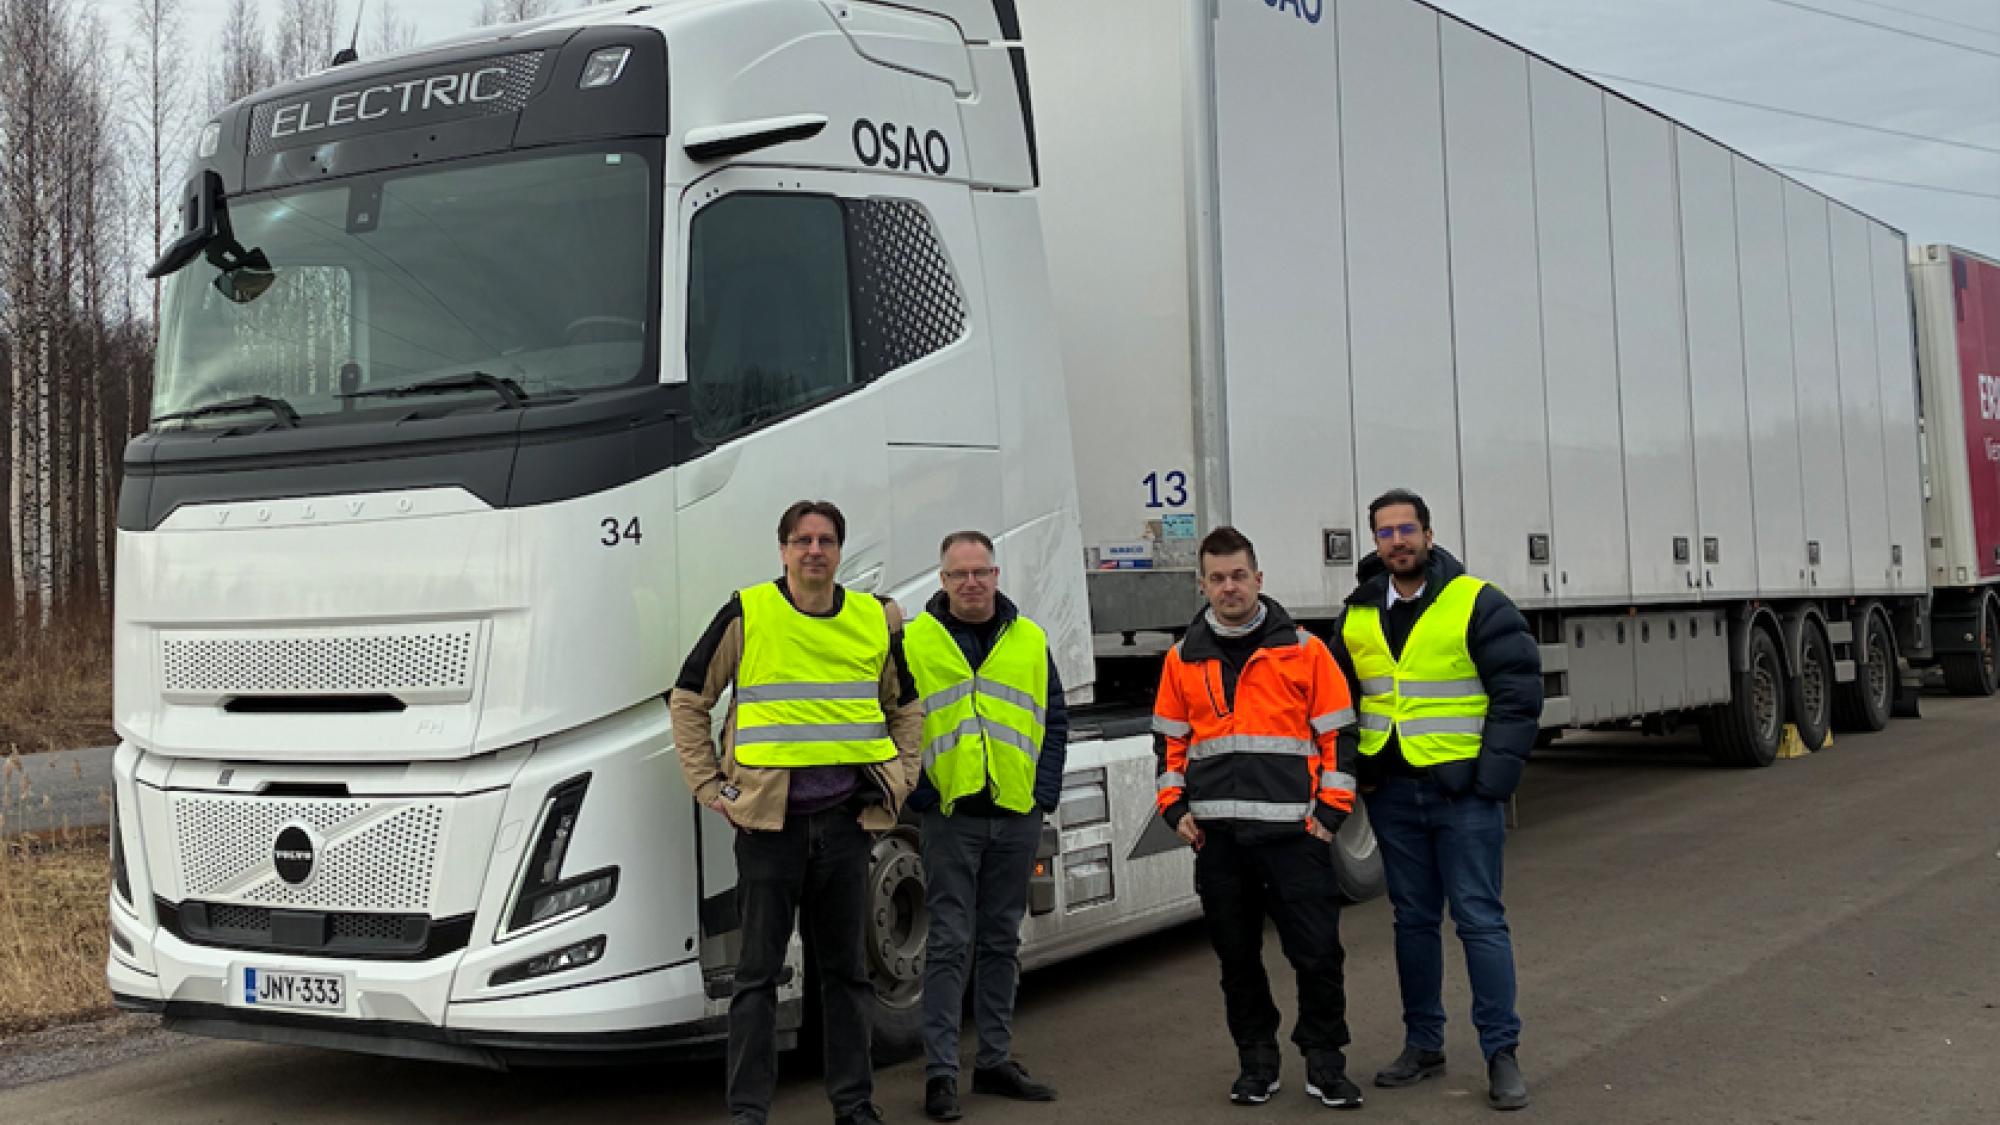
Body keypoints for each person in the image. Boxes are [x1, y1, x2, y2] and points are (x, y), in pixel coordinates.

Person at [670, 500, 923, 1125]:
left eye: (826, 540)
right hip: (769, 831)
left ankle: (854, 1106)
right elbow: (689, 699)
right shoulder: (748, 612)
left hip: (844, 826)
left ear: (839, 550)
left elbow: (906, 708)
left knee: (847, 976)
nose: (815, 550)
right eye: (803, 540)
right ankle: (749, 1113)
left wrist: (899, 780)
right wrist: (710, 788)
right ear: (783, 549)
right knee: (757, 978)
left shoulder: (872, 619)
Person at [1330, 488, 1542, 1112]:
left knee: (1479, 920)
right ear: (1375, 542)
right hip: (1393, 795)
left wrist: (1492, 782)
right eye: (1385, 532)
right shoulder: (1359, 613)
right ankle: (1423, 1044)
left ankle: (1502, 1053)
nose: (1397, 542)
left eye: (1407, 530)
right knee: (1413, 923)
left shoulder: (1476, 601)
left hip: (1462, 796)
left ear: (1428, 533)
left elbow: (1518, 692)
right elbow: (1339, 700)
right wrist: (1359, 772)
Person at [1152, 525, 1364, 1110]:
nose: (1230, 587)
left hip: (1296, 837)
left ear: (1258, 578)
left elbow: (1339, 736)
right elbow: (1169, 742)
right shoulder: (1181, 659)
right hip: (1219, 841)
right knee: (1237, 961)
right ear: (1202, 585)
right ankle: (1257, 1063)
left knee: (1317, 955)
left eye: (1239, 575)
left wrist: (1329, 815)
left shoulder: (1305, 650)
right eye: (1217, 578)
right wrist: (1173, 807)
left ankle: (1326, 1063)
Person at [903, 530, 1068, 1121]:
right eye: (959, 574)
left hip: (1016, 815)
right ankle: (941, 1074)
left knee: (1002, 940)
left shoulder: (1030, 639)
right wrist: (920, 791)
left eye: (981, 572)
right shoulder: (914, 641)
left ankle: (994, 1060)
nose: (971, 583)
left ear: (996, 575)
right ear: (942, 580)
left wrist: (1042, 794)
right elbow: (888, 719)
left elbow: (1055, 718)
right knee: (949, 943)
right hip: (951, 818)